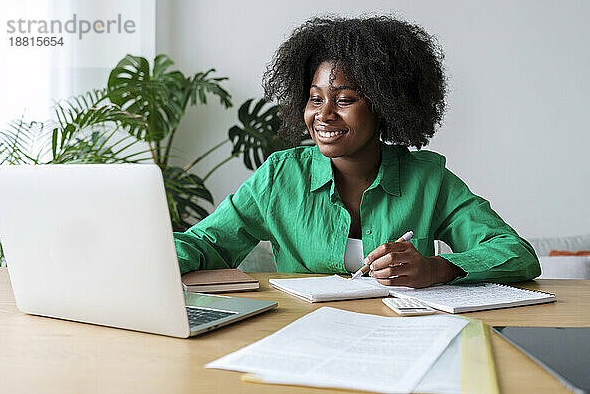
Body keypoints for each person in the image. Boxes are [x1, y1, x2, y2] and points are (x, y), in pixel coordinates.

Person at [174, 16, 540, 288]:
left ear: (384, 105)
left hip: (401, 341)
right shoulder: (280, 178)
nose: (324, 114)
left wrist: (434, 268)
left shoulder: (428, 180)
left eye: (345, 99)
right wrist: (144, 260)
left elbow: (516, 253)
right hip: (300, 336)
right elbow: (206, 244)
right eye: (315, 99)